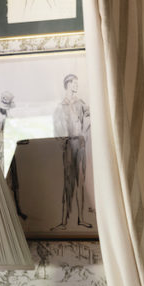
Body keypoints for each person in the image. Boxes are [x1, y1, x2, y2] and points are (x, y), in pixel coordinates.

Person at [52, 73, 92, 230]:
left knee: (80, 182)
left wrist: (85, 134)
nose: (76, 85)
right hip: (69, 146)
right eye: (74, 83)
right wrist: (63, 143)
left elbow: (91, 116)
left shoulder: (81, 103)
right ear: (68, 84)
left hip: (80, 145)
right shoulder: (60, 106)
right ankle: (64, 221)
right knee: (68, 182)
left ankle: (81, 219)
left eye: (77, 82)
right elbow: (57, 130)